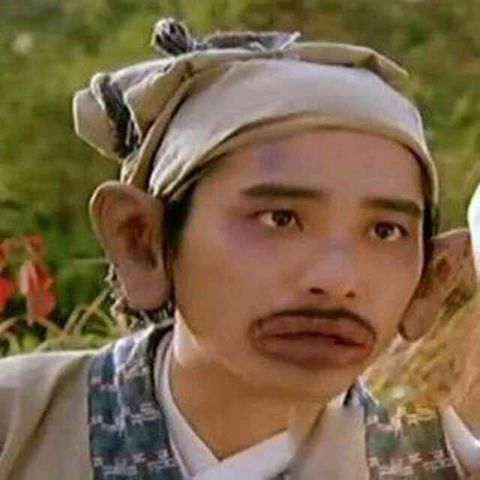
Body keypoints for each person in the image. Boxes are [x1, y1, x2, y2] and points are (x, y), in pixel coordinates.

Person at [0, 18, 479, 479]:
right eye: (280, 219)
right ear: (141, 240)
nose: (337, 280)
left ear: (432, 276)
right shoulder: (17, 425)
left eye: (385, 231)